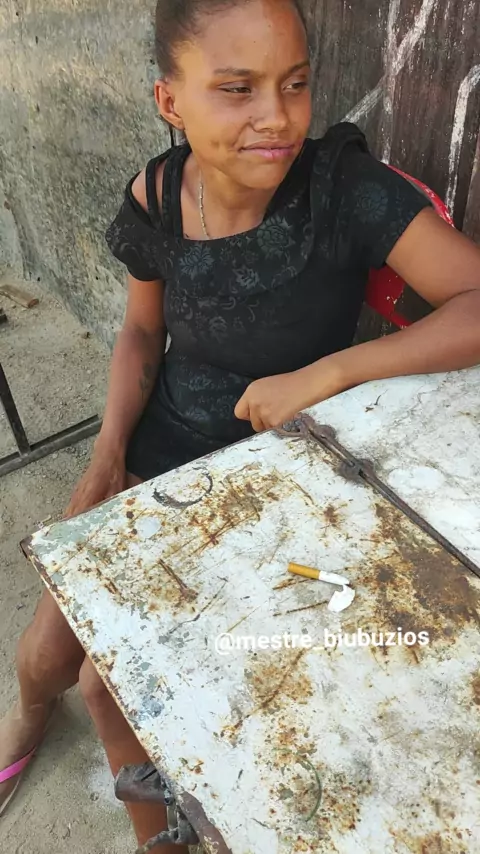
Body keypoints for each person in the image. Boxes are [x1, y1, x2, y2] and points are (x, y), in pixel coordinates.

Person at [2, 0, 480, 849]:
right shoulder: (157, 194)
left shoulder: (341, 191)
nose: (277, 116)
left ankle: (156, 834)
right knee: (47, 652)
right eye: (237, 89)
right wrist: (106, 457)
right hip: (167, 447)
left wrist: (329, 373)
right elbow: (141, 331)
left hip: (277, 473)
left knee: (116, 683)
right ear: (170, 101)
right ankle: (31, 715)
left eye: (294, 83)